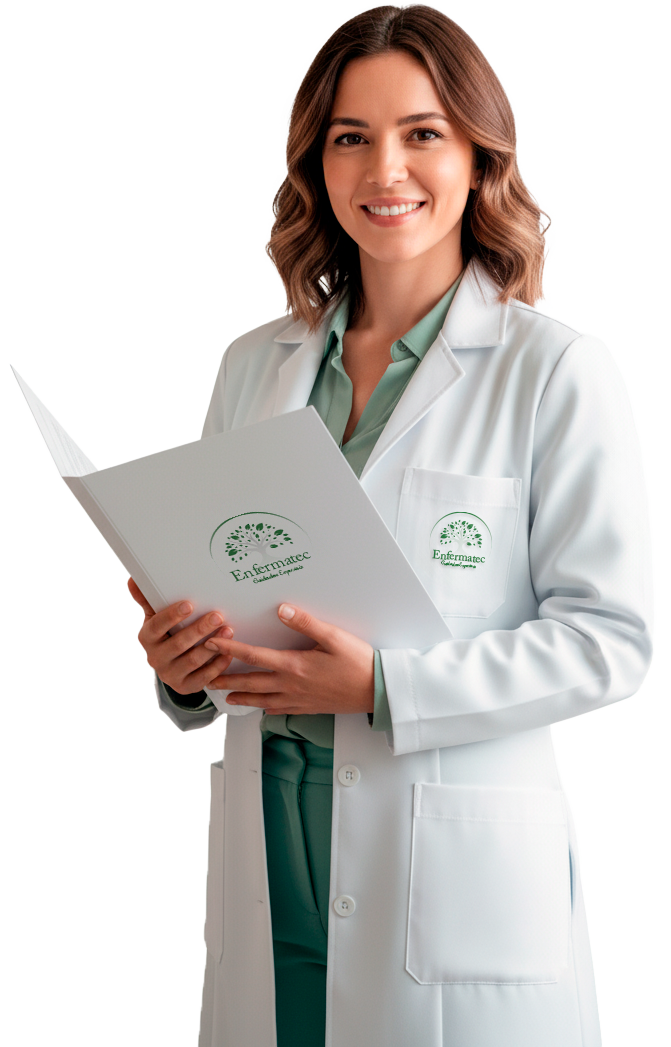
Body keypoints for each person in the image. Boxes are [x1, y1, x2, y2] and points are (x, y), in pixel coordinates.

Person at [128, 6, 652, 1046]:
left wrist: (381, 686)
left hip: (451, 887)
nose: (385, 170)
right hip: (273, 849)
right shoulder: (254, 366)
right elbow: (231, 593)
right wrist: (184, 665)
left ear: (478, 156)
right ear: (314, 164)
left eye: (421, 133)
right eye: (349, 137)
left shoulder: (553, 370)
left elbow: (608, 641)